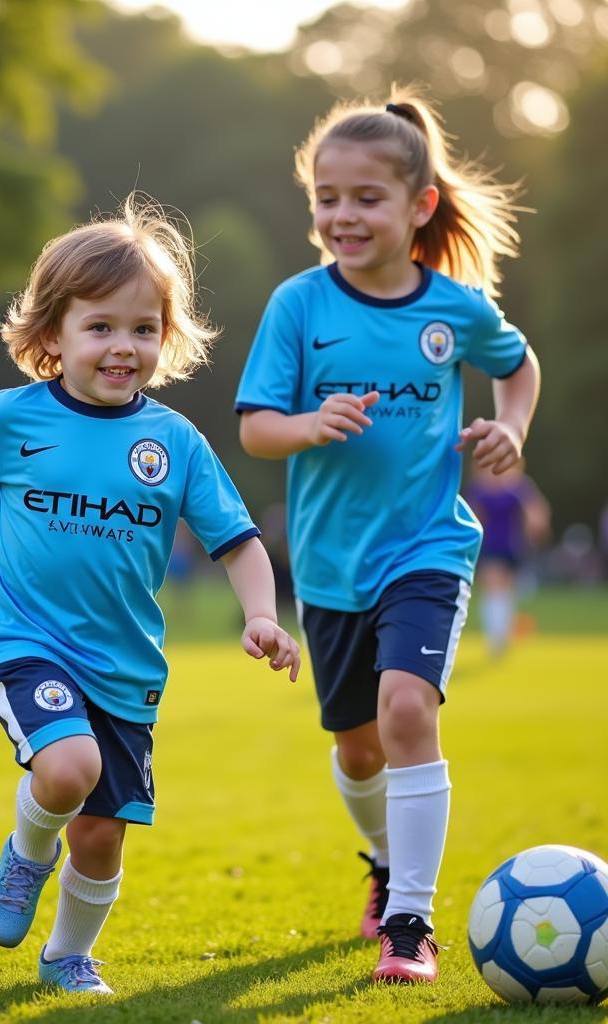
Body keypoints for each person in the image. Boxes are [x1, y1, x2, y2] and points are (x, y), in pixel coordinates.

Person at [0, 195, 301, 994]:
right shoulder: (11, 419)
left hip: (126, 669)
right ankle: (25, 854)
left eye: (143, 328)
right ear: (53, 335)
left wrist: (261, 615)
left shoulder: (175, 443)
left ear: (167, 335)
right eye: (100, 327)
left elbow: (238, 542)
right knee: (67, 768)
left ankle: (67, 956)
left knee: (100, 838)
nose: (123, 346)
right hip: (24, 640)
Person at [235, 89, 540, 984]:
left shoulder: (454, 310)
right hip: (330, 568)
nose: (341, 215)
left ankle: (411, 921)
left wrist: (509, 427)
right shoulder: (299, 306)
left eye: (365, 197)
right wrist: (309, 422)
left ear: (419, 207)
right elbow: (255, 427)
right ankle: (381, 864)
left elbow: (516, 368)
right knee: (358, 745)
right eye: (326, 197)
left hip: (426, 548)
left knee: (410, 711)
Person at [462, 461, 551, 656]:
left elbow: (536, 513)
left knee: (504, 591)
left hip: (512, 547)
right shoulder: (479, 488)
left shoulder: (518, 486)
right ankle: (496, 639)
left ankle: (500, 636)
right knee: (494, 587)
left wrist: (534, 532)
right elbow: (471, 515)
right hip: (489, 546)